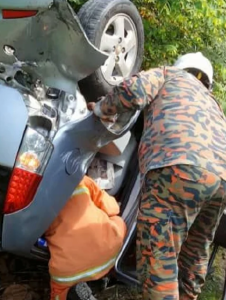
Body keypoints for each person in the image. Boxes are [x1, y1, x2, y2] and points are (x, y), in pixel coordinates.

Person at [88, 52, 226, 300]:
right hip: (220, 181)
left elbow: (132, 90)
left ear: (180, 66)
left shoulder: (168, 75)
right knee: (196, 250)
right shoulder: (214, 105)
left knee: (159, 255)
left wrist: (101, 109)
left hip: (175, 168)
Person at [45, 175, 126, 300]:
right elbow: (112, 208)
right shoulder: (81, 180)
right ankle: (103, 277)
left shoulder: (38, 197)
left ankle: (69, 293)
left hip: (68, 271)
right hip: (109, 254)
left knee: (58, 292)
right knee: (118, 221)